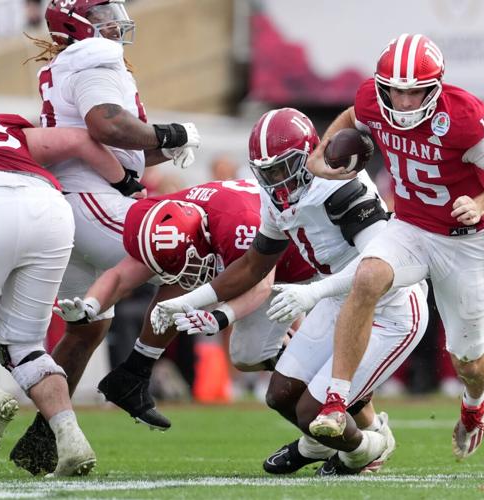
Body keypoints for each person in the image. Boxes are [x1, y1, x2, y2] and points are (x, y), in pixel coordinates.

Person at [269, 34, 484, 460]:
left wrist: (481, 202)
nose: (406, 102)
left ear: (435, 88)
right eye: (397, 90)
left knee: (468, 359)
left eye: (416, 92)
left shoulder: (462, 117)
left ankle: (474, 404)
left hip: (461, 243)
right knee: (369, 276)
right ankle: (336, 401)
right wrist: (322, 154)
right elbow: (355, 114)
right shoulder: (375, 101)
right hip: (410, 226)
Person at [156, 108, 427, 474]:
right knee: (280, 394)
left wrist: (313, 294)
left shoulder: (339, 185)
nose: (276, 181)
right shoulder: (276, 197)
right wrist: (187, 301)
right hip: (338, 299)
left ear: (310, 156)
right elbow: (254, 265)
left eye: (284, 168)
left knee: (312, 410)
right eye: (267, 172)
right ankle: (327, 446)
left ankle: (367, 450)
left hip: (389, 309)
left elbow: (377, 268)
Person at [10, 0, 201, 475]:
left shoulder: (68, 64)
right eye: (99, 14)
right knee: (196, 254)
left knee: (88, 326)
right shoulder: (92, 56)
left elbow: (113, 142)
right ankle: (135, 375)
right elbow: (107, 124)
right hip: (91, 200)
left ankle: (44, 439)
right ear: (76, 23)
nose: (112, 21)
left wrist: (164, 146)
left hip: (71, 201)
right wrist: (172, 130)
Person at [0, 111, 131, 474]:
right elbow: (77, 139)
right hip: (48, 207)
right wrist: (126, 183)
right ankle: (70, 437)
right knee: (25, 346)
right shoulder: (0, 123)